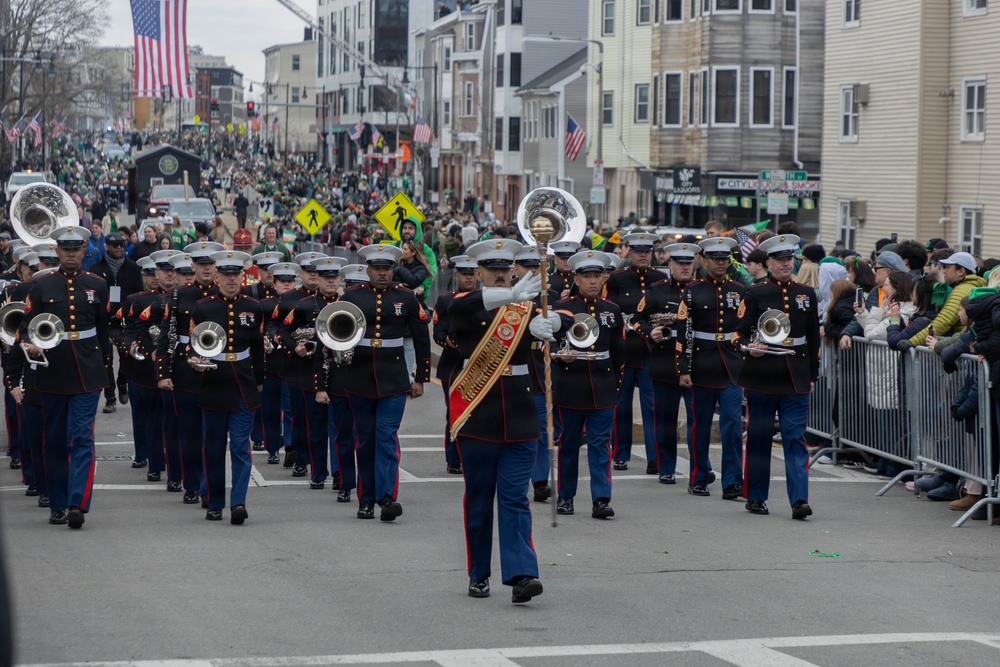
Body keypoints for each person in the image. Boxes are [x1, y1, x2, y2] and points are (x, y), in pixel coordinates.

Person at [448, 238, 545, 603]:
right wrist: (514, 297)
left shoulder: (527, 306)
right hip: (479, 418)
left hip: (520, 417)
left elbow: (552, 334)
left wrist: (546, 330)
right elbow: (466, 310)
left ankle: (522, 574)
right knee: (478, 500)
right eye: (493, 268)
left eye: (507, 268)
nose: (502, 273)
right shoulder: (463, 304)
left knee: (515, 499)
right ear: (478, 272)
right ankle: (479, 574)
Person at [20, 226, 110, 529]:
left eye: (76, 249)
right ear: (57, 252)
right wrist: (30, 342)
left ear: (84, 251)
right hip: (53, 371)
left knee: (82, 437)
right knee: (55, 441)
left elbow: (103, 329)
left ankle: (77, 503)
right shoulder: (42, 286)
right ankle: (57, 504)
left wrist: (107, 373)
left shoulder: (97, 285)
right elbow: (25, 327)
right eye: (65, 250)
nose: (71, 255)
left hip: (87, 371)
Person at [339, 244, 431, 521]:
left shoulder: (406, 298)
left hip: (394, 379)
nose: (382, 273)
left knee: (387, 438)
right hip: (360, 377)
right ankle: (366, 500)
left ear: (393, 270)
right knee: (365, 441)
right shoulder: (352, 297)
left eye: (387, 269)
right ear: (367, 270)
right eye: (377, 269)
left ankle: (388, 497)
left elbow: (421, 338)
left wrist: (421, 378)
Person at [733, 234, 821, 519]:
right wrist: (750, 348)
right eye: (780, 259)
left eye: (789, 259)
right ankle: (756, 497)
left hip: (795, 374)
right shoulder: (756, 293)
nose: (786, 264)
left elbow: (812, 340)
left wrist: (812, 376)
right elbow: (738, 333)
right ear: (768, 262)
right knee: (758, 437)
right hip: (762, 375)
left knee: (795, 439)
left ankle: (799, 500)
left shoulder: (806, 294)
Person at [189, 250, 264, 524]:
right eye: (226, 275)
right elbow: (194, 343)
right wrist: (194, 361)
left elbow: (257, 348)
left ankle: (238, 504)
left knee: (241, 448)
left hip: (243, 383)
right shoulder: (203, 307)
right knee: (213, 447)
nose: (231, 280)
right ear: (217, 276)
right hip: (214, 383)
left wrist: (259, 381)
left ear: (242, 276)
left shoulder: (253, 307)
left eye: (236, 275)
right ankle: (215, 503)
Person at [549, 251, 623, 518]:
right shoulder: (562, 308)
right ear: (576, 278)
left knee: (601, 445)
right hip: (570, 385)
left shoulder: (612, 311)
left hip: (602, 386)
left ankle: (601, 499)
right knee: (568, 444)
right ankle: (566, 497)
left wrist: (616, 384)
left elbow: (618, 352)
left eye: (597, 276)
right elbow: (550, 342)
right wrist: (560, 353)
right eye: (587, 277)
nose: (593, 281)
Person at [156, 241, 226, 507]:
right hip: (185, 370)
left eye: (210, 264)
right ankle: (192, 483)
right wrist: (163, 373)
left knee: (214, 436)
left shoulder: (224, 294)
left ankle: (209, 486)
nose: (207, 269)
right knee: (189, 434)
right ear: (192, 266)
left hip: (217, 369)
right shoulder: (179, 296)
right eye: (202, 264)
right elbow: (166, 335)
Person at [676, 237, 746, 499]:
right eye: (715, 258)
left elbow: (744, 328)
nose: (720, 263)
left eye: (724, 258)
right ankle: (699, 477)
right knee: (700, 426)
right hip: (701, 365)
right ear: (704, 260)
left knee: (731, 426)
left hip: (730, 365)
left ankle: (732, 482)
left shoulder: (738, 290)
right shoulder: (693, 290)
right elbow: (683, 331)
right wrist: (683, 368)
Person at [281, 255, 347, 490]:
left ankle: (340, 473)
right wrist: (294, 347)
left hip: (341, 373)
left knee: (339, 428)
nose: (331, 282)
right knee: (317, 429)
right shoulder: (305, 305)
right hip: (312, 373)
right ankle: (319, 472)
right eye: (326, 277)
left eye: (335, 277)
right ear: (317, 278)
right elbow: (282, 330)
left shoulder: (346, 304)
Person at [635, 243, 698, 484]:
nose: (684, 267)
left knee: (697, 420)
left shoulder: (701, 289)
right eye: (680, 263)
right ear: (669, 265)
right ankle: (666, 467)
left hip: (695, 365)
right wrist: (650, 332)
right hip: (665, 362)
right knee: (665, 420)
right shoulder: (657, 290)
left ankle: (699, 468)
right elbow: (637, 319)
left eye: (688, 263)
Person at [603, 232, 658, 473]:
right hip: (624, 350)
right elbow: (608, 309)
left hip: (649, 350)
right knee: (622, 405)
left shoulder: (659, 277)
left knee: (652, 405)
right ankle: (621, 453)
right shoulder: (617, 278)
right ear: (629, 252)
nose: (643, 255)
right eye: (638, 251)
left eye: (647, 251)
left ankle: (654, 457)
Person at [431, 255, 478, 475]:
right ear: (456, 275)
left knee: (479, 413)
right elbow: (438, 331)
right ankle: (454, 458)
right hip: (454, 364)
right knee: (455, 412)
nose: (468, 278)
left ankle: (475, 455)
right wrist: (446, 340)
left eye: (472, 273)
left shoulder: (487, 299)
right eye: (464, 274)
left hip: (482, 364)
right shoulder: (445, 300)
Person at [90, 232, 144, 413]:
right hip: (103, 320)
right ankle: (110, 397)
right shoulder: (96, 269)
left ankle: (122, 382)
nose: (119, 248)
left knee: (126, 357)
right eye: (115, 245)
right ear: (107, 246)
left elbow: (139, 295)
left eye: (122, 244)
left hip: (125, 319)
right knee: (106, 360)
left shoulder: (133, 269)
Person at [255, 260, 298, 465]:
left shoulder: (302, 303)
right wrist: (261, 340)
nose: (286, 284)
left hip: (291, 364)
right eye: (282, 281)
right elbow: (256, 330)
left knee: (290, 409)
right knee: (270, 410)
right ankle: (272, 447)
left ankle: (290, 447)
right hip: (270, 364)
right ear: (275, 283)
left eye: (290, 281)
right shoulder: (265, 305)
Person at [904, 252, 985, 348]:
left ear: (961, 271)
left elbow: (943, 321)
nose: (944, 271)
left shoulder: (962, 290)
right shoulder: (967, 287)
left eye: (948, 267)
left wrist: (912, 342)